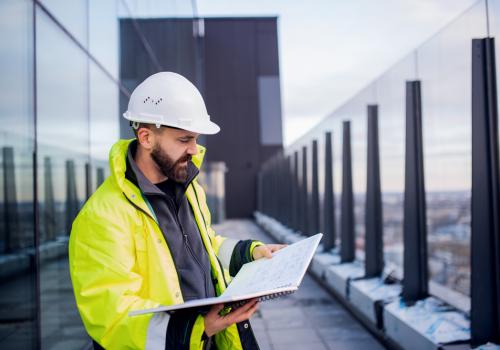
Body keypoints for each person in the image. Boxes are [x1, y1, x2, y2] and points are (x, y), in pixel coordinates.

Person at [69, 72, 285, 349]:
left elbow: (205, 246)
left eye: (195, 139)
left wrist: (252, 252)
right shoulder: (101, 217)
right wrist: (200, 328)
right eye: (184, 140)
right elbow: (111, 317)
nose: (195, 150)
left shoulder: (188, 188)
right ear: (146, 137)